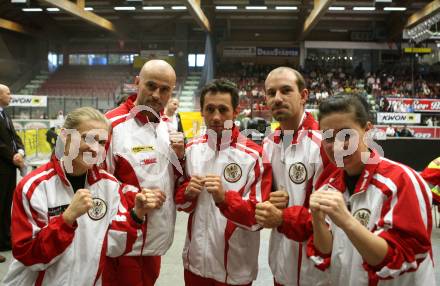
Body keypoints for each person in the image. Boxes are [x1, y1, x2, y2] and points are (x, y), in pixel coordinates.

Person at [2, 107, 161, 285]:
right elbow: (29, 257)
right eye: (88, 138)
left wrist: (136, 215)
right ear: (65, 135)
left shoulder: (109, 185)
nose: (95, 149)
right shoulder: (34, 187)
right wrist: (66, 219)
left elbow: (113, 247)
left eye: (101, 142)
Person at [308, 94, 435, 285]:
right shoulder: (328, 186)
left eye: (346, 135)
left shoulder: (402, 181)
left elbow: (400, 259)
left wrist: (347, 222)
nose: (337, 146)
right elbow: (325, 251)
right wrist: (316, 221)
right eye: (328, 137)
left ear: (367, 131)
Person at [175, 79, 272, 286]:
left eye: (223, 110)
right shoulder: (191, 149)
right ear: (201, 111)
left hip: (235, 269)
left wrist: (224, 199)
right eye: (209, 109)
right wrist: (188, 193)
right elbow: (180, 204)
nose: (216, 117)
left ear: (236, 112)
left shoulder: (255, 157)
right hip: (194, 266)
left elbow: (257, 219)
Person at [103, 59, 185, 286]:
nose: (156, 95)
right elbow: (96, 187)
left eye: (164, 89)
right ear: (137, 83)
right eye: (151, 86)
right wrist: (136, 198)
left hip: (155, 243)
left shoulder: (167, 127)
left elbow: (174, 181)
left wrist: (181, 158)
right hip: (123, 244)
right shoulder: (110, 125)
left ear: (172, 92)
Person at [255, 67, 334, 286]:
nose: (277, 99)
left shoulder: (327, 144)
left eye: (286, 90)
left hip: (319, 273)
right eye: (271, 93)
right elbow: (266, 195)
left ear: (304, 96)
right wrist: (269, 200)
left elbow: (334, 216)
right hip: (281, 265)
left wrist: (283, 216)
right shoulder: (269, 143)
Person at [0, 84, 25, 264]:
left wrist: (21, 151)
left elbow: (14, 138)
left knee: (5, 204)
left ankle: (4, 240)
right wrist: (12, 155)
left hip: (8, 167)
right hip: (3, 164)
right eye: (8, 93)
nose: (11, 96)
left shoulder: (5, 114)